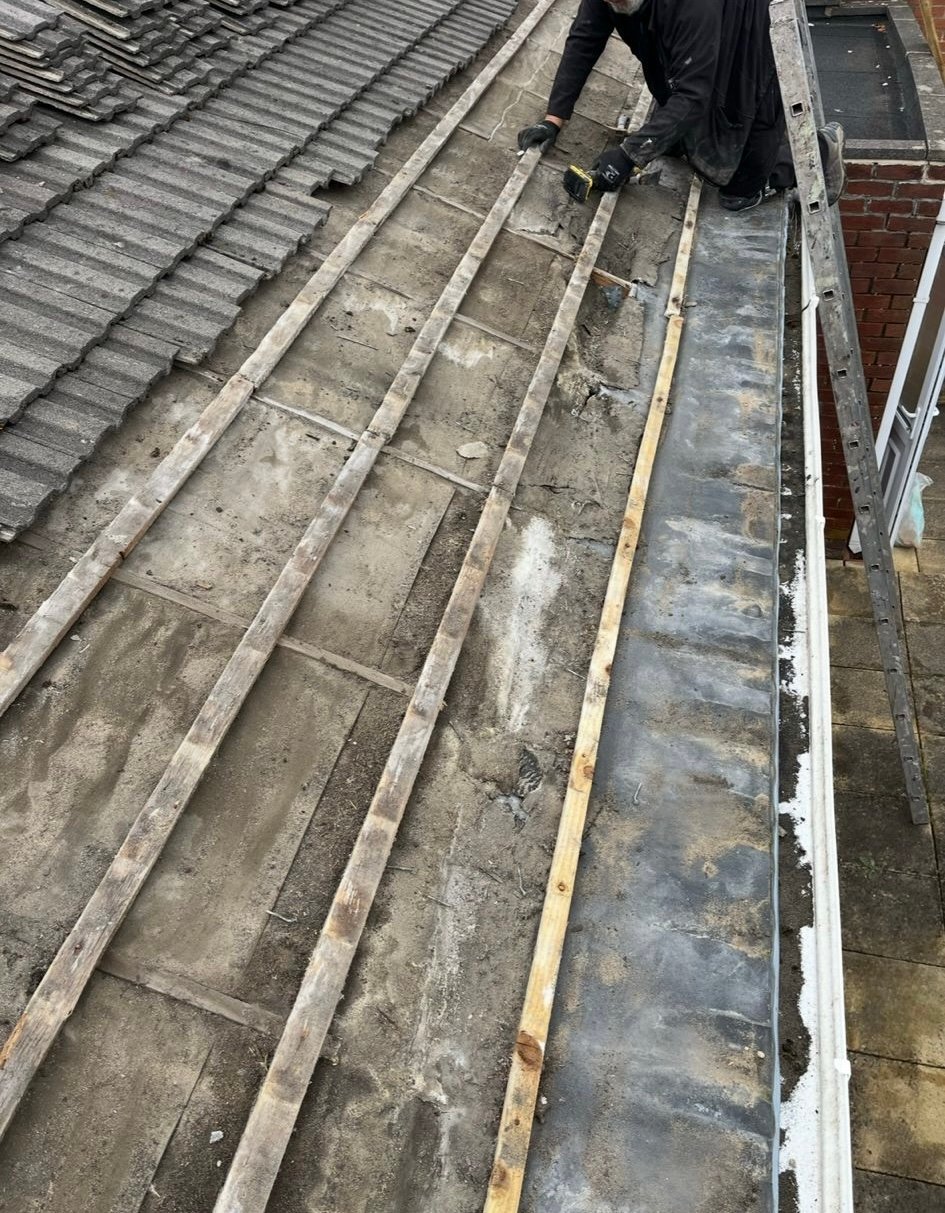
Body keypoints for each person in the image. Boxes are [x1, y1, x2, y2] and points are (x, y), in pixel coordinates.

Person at [517, 0, 845, 212]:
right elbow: (584, 40)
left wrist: (628, 156)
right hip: (690, 37)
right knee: (678, 133)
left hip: (747, 31)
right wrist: (553, 119)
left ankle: (819, 152)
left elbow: (693, 95)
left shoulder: (692, 7)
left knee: (738, 189)